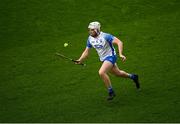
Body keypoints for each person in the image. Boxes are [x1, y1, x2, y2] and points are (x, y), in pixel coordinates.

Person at [76, 21, 140, 100]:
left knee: (101, 72)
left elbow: (119, 42)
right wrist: (80, 60)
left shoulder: (106, 36)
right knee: (118, 73)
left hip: (111, 56)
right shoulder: (90, 39)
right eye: (89, 29)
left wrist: (120, 54)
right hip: (103, 59)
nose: (90, 31)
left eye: (92, 29)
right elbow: (86, 51)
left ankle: (111, 92)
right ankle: (133, 77)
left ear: (97, 30)